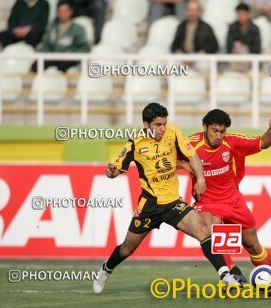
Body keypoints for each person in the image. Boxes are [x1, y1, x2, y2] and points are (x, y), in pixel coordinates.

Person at [93, 103, 241, 294]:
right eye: (158, 125)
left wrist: (201, 178)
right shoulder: (135, 143)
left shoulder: (172, 132)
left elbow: (192, 155)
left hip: (173, 203)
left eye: (164, 123)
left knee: (203, 230)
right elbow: (116, 169)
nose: (163, 128)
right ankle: (106, 268)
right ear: (146, 125)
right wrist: (111, 172)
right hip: (150, 205)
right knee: (127, 249)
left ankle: (225, 275)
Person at [177, 108, 271, 283]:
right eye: (214, 131)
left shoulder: (232, 142)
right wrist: (183, 165)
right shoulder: (190, 144)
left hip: (233, 200)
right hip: (207, 202)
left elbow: (263, 142)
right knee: (209, 232)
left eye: (222, 132)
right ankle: (232, 273)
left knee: (253, 246)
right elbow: (166, 159)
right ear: (205, 127)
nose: (219, 136)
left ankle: (270, 281)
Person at [30, 1, 90, 73]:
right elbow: (46, 44)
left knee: (63, 66)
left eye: (65, 11)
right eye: (60, 11)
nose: (62, 14)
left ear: (71, 12)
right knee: (36, 65)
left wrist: (72, 53)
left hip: (68, 58)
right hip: (53, 56)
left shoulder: (77, 29)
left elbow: (84, 48)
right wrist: (47, 53)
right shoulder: (51, 27)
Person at [171, 1, 218, 72]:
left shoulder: (206, 27)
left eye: (193, 10)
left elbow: (214, 46)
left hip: (199, 58)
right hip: (184, 57)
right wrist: (181, 55)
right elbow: (174, 46)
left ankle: (204, 83)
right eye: (189, 10)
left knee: (204, 66)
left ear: (199, 12)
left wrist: (201, 53)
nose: (191, 13)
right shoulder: (181, 26)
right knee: (172, 65)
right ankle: (175, 83)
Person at [227, 3, 261, 71]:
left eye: (243, 14)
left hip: (250, 59)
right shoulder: (232, 28)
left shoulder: (255, 29)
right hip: (235, 58)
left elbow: (257, 49)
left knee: (242, 50)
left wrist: (244, 46)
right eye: (239, 14)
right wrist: (236, 46)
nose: (241, 17)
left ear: (248, 14)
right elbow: (228, 47)